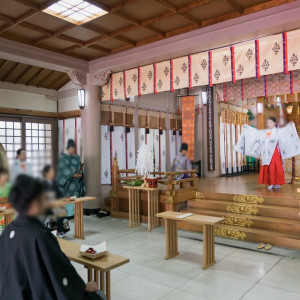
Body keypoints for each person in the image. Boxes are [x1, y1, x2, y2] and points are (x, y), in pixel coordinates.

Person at [0, 175, 106, 300]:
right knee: (99, 295)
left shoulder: (8, 230)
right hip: (32, 295)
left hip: (9, 294)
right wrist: (82, 287)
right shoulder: (39, 236)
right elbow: (61, 277)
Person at [235, 117, 300, 190]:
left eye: (270, 123)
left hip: (274, 151)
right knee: (269, 167)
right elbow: (255, 134)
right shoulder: (264, 131)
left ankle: (277, 183)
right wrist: (247, 127)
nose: (269, 124)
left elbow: (285, 133)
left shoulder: (278, 131)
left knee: (275, 166)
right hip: (266, 152)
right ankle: (271, 183)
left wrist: (290, 125)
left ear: (274, 124)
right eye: (268, 123)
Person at [57, 139, 85, 217]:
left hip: (77, 183)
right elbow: (62, 170)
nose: (73, 150)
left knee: (77, 198)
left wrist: (81, 173)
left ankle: (76, 213)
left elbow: (80, 167)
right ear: (67, 148)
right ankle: (68, 214)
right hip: (68, 183)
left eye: (74, 148)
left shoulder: (76, 157)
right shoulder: (63, 158)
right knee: (69, 198)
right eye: (71, 148)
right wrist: (72, 175)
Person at [42, 165, 70, 238]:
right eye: (51, 171)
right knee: (58, 211)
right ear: (46, 173)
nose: (53, 173)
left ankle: (63, 230)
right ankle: (59, 231)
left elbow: (59, 193)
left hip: (55, 204)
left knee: (63, 210)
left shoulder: (53, 182)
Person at [0, 168, 10, 234]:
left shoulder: (10, 186)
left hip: (9, 211)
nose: (5, 176)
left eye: (5, 175)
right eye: (3, 175)